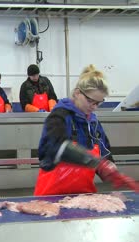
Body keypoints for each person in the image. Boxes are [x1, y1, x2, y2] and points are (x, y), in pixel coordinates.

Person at [35, 64, 139, 195]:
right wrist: (97, 163)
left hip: (84, 197)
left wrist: (110, 169)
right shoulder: (59, 116)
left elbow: (103, 151)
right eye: (90, 101)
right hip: (52, 197)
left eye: (98, 103)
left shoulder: (93, 122)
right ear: (78, 93)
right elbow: (55, 147)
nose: (94, 107)